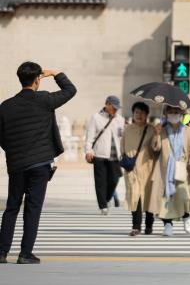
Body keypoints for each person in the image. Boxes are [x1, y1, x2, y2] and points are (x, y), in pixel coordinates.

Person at [0, 62, 76, 264]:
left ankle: (1, 252)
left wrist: (14, 152)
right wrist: (55, 73)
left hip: (16, 164)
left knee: (12, 207)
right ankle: (25, 254)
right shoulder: (44, 99)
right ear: (37, 80)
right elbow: (70, 90)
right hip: (40, 164)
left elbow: (2, 137)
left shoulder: (5, 106)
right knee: (32, 208)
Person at [149, 105, 190, 236]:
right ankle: (167, 224)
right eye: (171, 112)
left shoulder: (187, 130)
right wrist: (156, 134)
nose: (173, 114)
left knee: (184, 196)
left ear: (181, 114)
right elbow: (155, 148)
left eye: (176, 112)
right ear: (166, 114)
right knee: (166, 199)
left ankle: (186, 217)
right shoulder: (162, 130)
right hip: (164, 169)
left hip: (182, 168)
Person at [84, 94, 125, 215]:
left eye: (117, 108)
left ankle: (106, 199)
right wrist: (88, 151)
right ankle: (103, 206)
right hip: (99, 155)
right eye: (114, 107)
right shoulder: (96, 117)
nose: (116, 110)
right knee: (100, 182)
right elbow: (90, 137)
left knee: (114, 179)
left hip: (115, 155)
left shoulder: (120, 119)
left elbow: (122, 136)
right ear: (107, 105)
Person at [122, 101, 157, 236]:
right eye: (136, 112)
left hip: (148, 170)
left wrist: (158, 135)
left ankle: (149, 225)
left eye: (142, 112)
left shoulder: (152, 129)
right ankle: (136, 227)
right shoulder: (128, 129)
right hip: (132, 171)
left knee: (148, 199)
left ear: (147, 115)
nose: (139, 115)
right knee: (135, 198)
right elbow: (122, 147)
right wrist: (125, 160)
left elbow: (156, 149)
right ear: (133, 113)